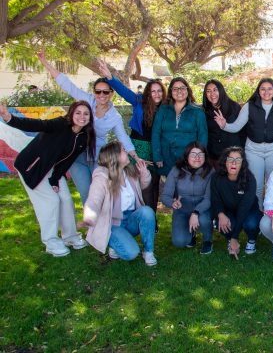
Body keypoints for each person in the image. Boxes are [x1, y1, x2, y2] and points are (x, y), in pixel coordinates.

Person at [37, 51, 139, 204]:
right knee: (86, 194)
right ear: (94, 92)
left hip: (97, 157)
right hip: (76, 156)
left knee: (100, 194)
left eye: (105, 91)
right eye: (98, 91)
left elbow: (122, 137)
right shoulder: (87, 101)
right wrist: (45, 62)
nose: (101, 95)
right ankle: (91, 227)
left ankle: (103, 226)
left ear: (112, 93)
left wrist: (135, 156)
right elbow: (67, 85)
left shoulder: (114, 117)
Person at [0, 101, 94, 257]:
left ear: (90, 117)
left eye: (86, 113)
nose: (82, 117)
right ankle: (51, 242)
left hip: (52, 170)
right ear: (71, 113)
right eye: (78, 112)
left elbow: (67, 161)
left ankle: (70, 237)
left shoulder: (84, 137)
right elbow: (36, 124)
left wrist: (55, 179)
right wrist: (8, 117)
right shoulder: (60, 123)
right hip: (32, 166)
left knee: (66, 199)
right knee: (50, 202)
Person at [96, 61, 166, 220]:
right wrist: (109, 77)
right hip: (137, 146)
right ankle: (132, 216)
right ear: (148, 93)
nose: (156, 94)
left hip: (154, 149)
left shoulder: (166, 108)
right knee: (134, 182)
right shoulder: (139, 101)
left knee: (152, 184)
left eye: (159, 91)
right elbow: (123, 91)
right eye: (153, 91)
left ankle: (151, 219)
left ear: (163, 93)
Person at [83, 141, 157, 266]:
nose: (127, 152)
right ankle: (114, 242)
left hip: (131, 218)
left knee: (147, 212)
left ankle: (148, 252)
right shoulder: (101, 176)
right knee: (132, 253)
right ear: (114, 156)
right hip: (113, 224)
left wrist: (144, 173)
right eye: (123, 150)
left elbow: (143, 187)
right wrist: (89, 217)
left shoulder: (128, 171)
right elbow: (94, 199)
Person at [214, 78, 273, 206]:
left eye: (269, 88)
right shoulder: (249, 106)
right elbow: (237, 126)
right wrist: (224, 125)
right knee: (256, 185)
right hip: (253, 150)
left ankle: (272, 214)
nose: (266, 92)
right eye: (263, 89)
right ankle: (257, 213)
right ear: (258, 91)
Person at [162, 142, 214, 254]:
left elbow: (208, 199)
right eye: (193, 154)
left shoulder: (210, 171)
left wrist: (196, 213)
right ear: (186, 156)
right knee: (179, 242)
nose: (197, 158)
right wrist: (172, 203)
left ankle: (207, 240)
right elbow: (165, 196)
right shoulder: (176, 170)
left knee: (204, 219)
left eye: (201, 154)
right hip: (183, 210)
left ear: (205, 156)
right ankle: (192, 234)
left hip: (203, 210)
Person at [211, 146, 263, 259]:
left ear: (242, 163)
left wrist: (235, 236)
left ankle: (252, 239)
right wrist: (220, 214)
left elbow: (244, 208)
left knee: (251, 224)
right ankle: (230, 240)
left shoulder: (250, 179)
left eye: (238, 160)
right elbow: (215, 200)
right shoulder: (216, 177)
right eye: (230, 159)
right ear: (225, 161)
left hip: (248, 210)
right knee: (225, 223)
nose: (234, 163)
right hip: (228, 210)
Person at [152, 76, 208, 177]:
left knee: (186, 188)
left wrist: (199, 157)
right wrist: (157, 156)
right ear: (170, 91)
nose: (179, 91)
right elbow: (156, 133)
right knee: (169, 188)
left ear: (187, 90)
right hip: (166, 157)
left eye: (182, 88)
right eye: (175, 88)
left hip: (188, 158)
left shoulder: (197, 111)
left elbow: (203, 135)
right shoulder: (163, 109)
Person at [202, 79, 244, 167]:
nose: (212, 94)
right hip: (214, 156)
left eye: (215, 90)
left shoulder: (234, 107)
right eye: (208, 91)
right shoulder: (204, 111)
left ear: (221, 90)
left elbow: (243, 132)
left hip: (233, 156)